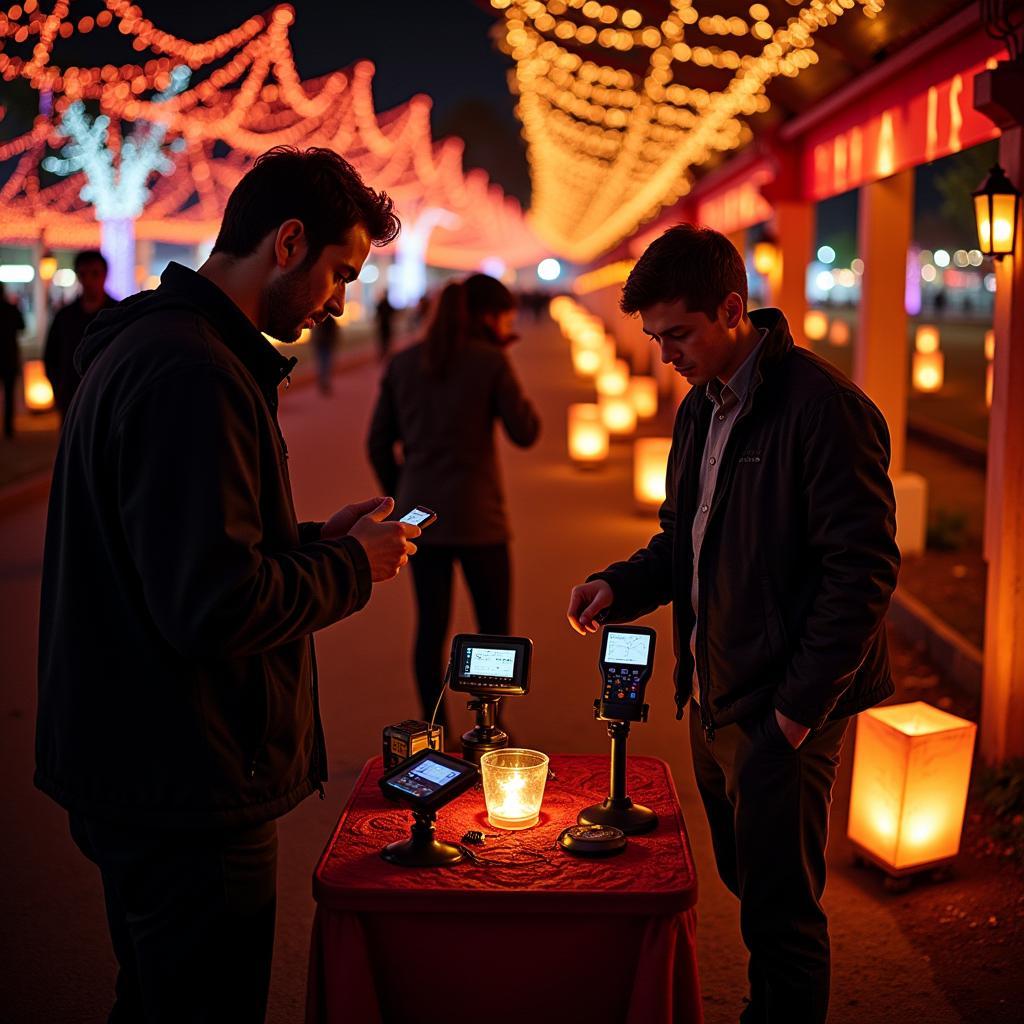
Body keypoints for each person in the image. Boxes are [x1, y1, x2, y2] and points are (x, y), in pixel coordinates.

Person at [35, 146, 417, 1024]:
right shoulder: (196, 373)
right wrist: (353, 565)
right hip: (184, 774)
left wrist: (317, 538)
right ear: (288, 242)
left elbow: (177, 547)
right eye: (339, 274)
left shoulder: (155, 343)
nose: (340, 303)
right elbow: (214, 603)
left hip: (134, 754)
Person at [566, 225, 899, 1024]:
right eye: (654, 337)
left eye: (677, 333)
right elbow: (684, 539)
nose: (665, 353)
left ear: (732, 308)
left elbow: (862, 576)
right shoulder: (699, 409)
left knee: (782, 912)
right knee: (747, 879)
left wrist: (792, 714)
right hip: (715, 690)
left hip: (783, 704)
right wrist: (619, 584)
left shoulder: (825, 410)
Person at [367, 274, 540, 734]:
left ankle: (433, 726)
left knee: (430, 627)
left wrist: (402, 493)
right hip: (481, 517)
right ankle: (491, 724)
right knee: (494, 630)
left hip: (423, 520)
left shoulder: (403, 364)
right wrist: (502, 355)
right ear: (487, 318)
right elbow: (526, 431)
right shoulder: (489, 362)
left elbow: (377, 442)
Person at [43, 250, 116, 418]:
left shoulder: (118, 314)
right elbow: (51, 355)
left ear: (105, 275)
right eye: (83, 274)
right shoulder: (65, 316)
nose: (89, 280)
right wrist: (59, 389)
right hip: (71, 396)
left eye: (95, 274)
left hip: (108, 396)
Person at [0, 288, 24, 438]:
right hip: (8, 356)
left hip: (7, 357)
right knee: (9, 395)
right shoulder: (11, 309)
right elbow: (22, 326)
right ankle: (8, 429)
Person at [310, 312, 341, 394]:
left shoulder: (319, 321)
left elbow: (315, 334)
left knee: (324, 365)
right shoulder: (329, 321)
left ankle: (324, 383)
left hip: (323, 345)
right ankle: (324, 383)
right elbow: (335, 333)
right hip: (324, 345)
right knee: (325, 365)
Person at [375, 289, 394, 360]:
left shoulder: (382, 303)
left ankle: (383, 353)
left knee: (383, 339)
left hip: (383, 324)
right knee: (386, 339)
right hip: (386, 324)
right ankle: (385, 353)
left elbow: (377, 313)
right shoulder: (387, 303)